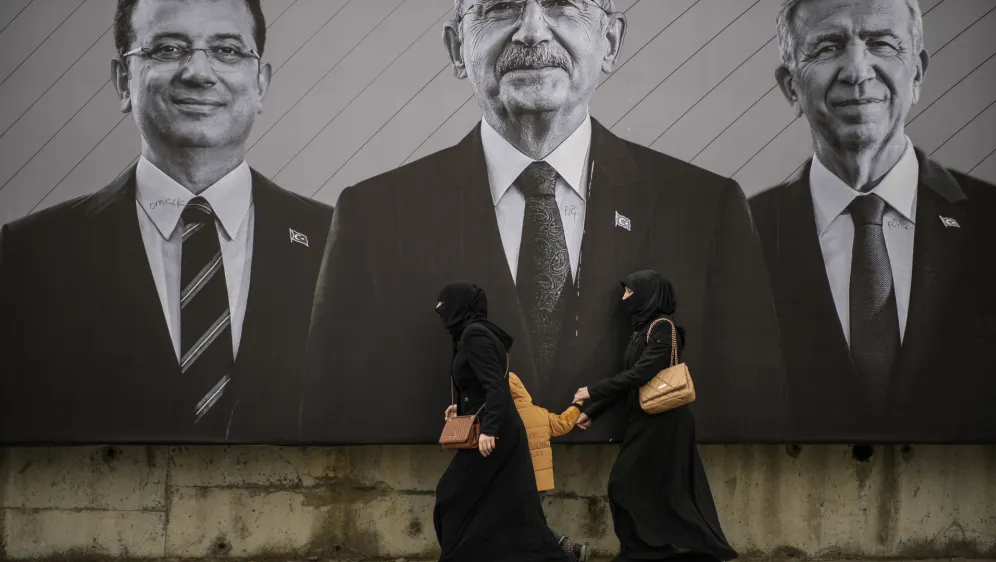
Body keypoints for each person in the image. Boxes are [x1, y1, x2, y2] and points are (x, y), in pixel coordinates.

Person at [302, 0, 787, 444]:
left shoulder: (708, 210)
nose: (532, 31)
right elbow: (328, 430)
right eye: (500, 7)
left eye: (562, 4)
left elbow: (757, 423)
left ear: (610, 41)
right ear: (456, 47)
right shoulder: (373, 218)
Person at [0, 0, 333, 444]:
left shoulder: (340, 243)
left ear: (260, 84)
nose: (198, 72)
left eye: (227, 50)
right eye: (169, 49)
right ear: (124, 80)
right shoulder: (30, 256)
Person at [748, 0, 996, 441]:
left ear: (917, 73)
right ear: (791, 87)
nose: (857, 70)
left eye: (881, 43)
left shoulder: (992, 222)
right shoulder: (741, 235)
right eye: (828, 47)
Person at [573, 270, 737, 562]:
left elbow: (641, 373)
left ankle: (660, 551)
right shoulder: (641, 330)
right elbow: (629, 378)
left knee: (635, 486)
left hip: (665, 422)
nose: (624, 298)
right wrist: (594, 412)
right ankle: (647, 551)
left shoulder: (662, 327)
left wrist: (592, 391)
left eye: (629, 292)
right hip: (645, 420)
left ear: (648, 295)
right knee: (648, 490)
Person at [432, 281, 569, 561]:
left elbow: (496, 386)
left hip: (495, 437)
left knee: (453, 494)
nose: (439, 309)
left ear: (460, 304)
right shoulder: (472, 334)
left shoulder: (474, 335)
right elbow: (481, 387)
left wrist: (490, 430)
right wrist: (461, 409)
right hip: (497, 431)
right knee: (507, 507)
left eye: (443, 303)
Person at [509, 371, 589, 560]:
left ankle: (568, 549)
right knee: (529, 523)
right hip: (541, 483)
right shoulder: (540, 414)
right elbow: (563, 423)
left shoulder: (506, 417)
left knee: (527, 524)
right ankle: (569, 549)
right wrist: (577, 405)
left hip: (519, 482)